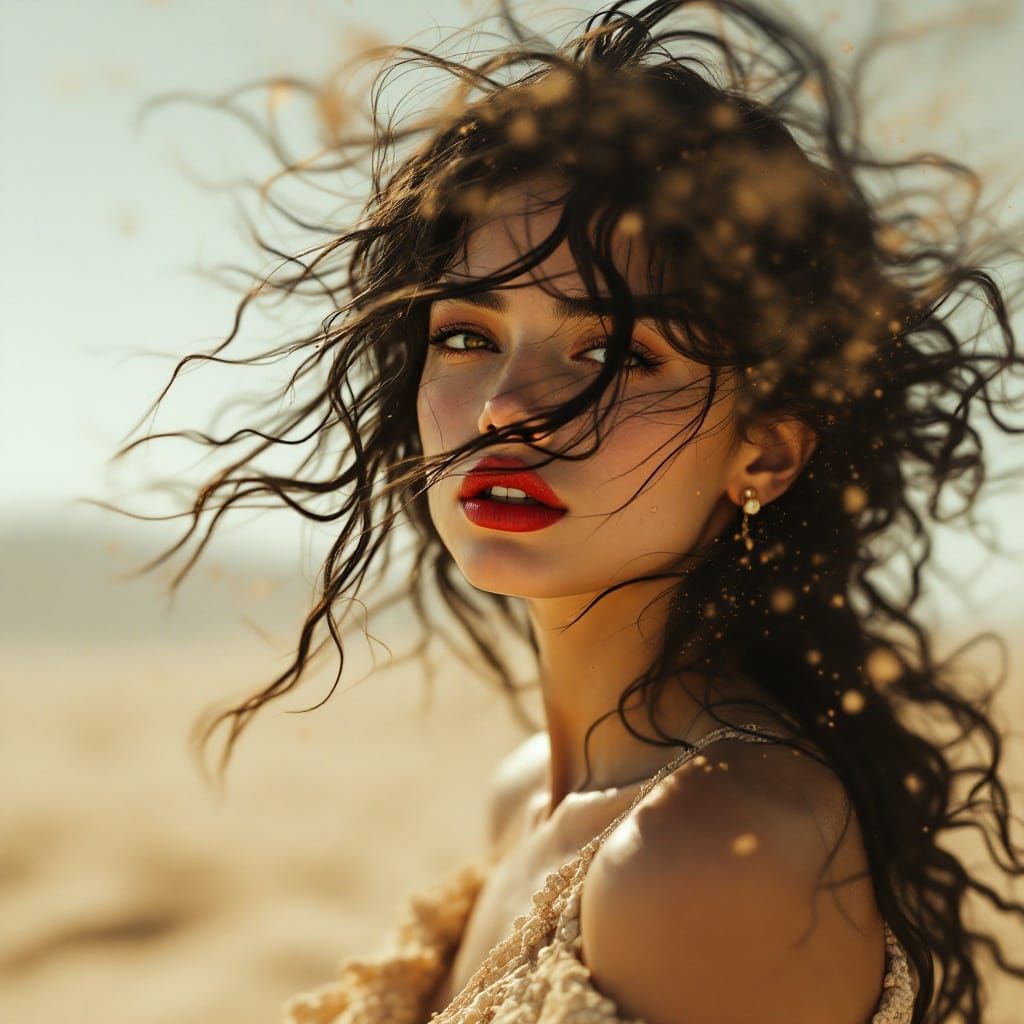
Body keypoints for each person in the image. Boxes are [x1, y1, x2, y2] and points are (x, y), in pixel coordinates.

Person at [118, 1, 1024, 1021]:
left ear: (764, 449)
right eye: (465, 334)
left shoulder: (712, 849)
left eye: (618, 354)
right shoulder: (533, 794)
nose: (507, 405)